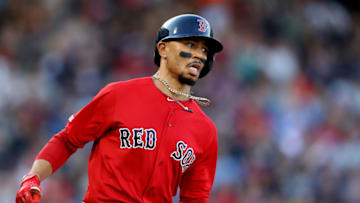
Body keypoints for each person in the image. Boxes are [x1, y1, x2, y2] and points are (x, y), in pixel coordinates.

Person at [16, 13, 223, 203]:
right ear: (163, 49)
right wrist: (33, 177)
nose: (199, 55)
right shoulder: (119, 95)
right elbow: (68, 139)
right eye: (190, 44)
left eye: (204, 49)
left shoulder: (205, 130)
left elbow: (195, 198)